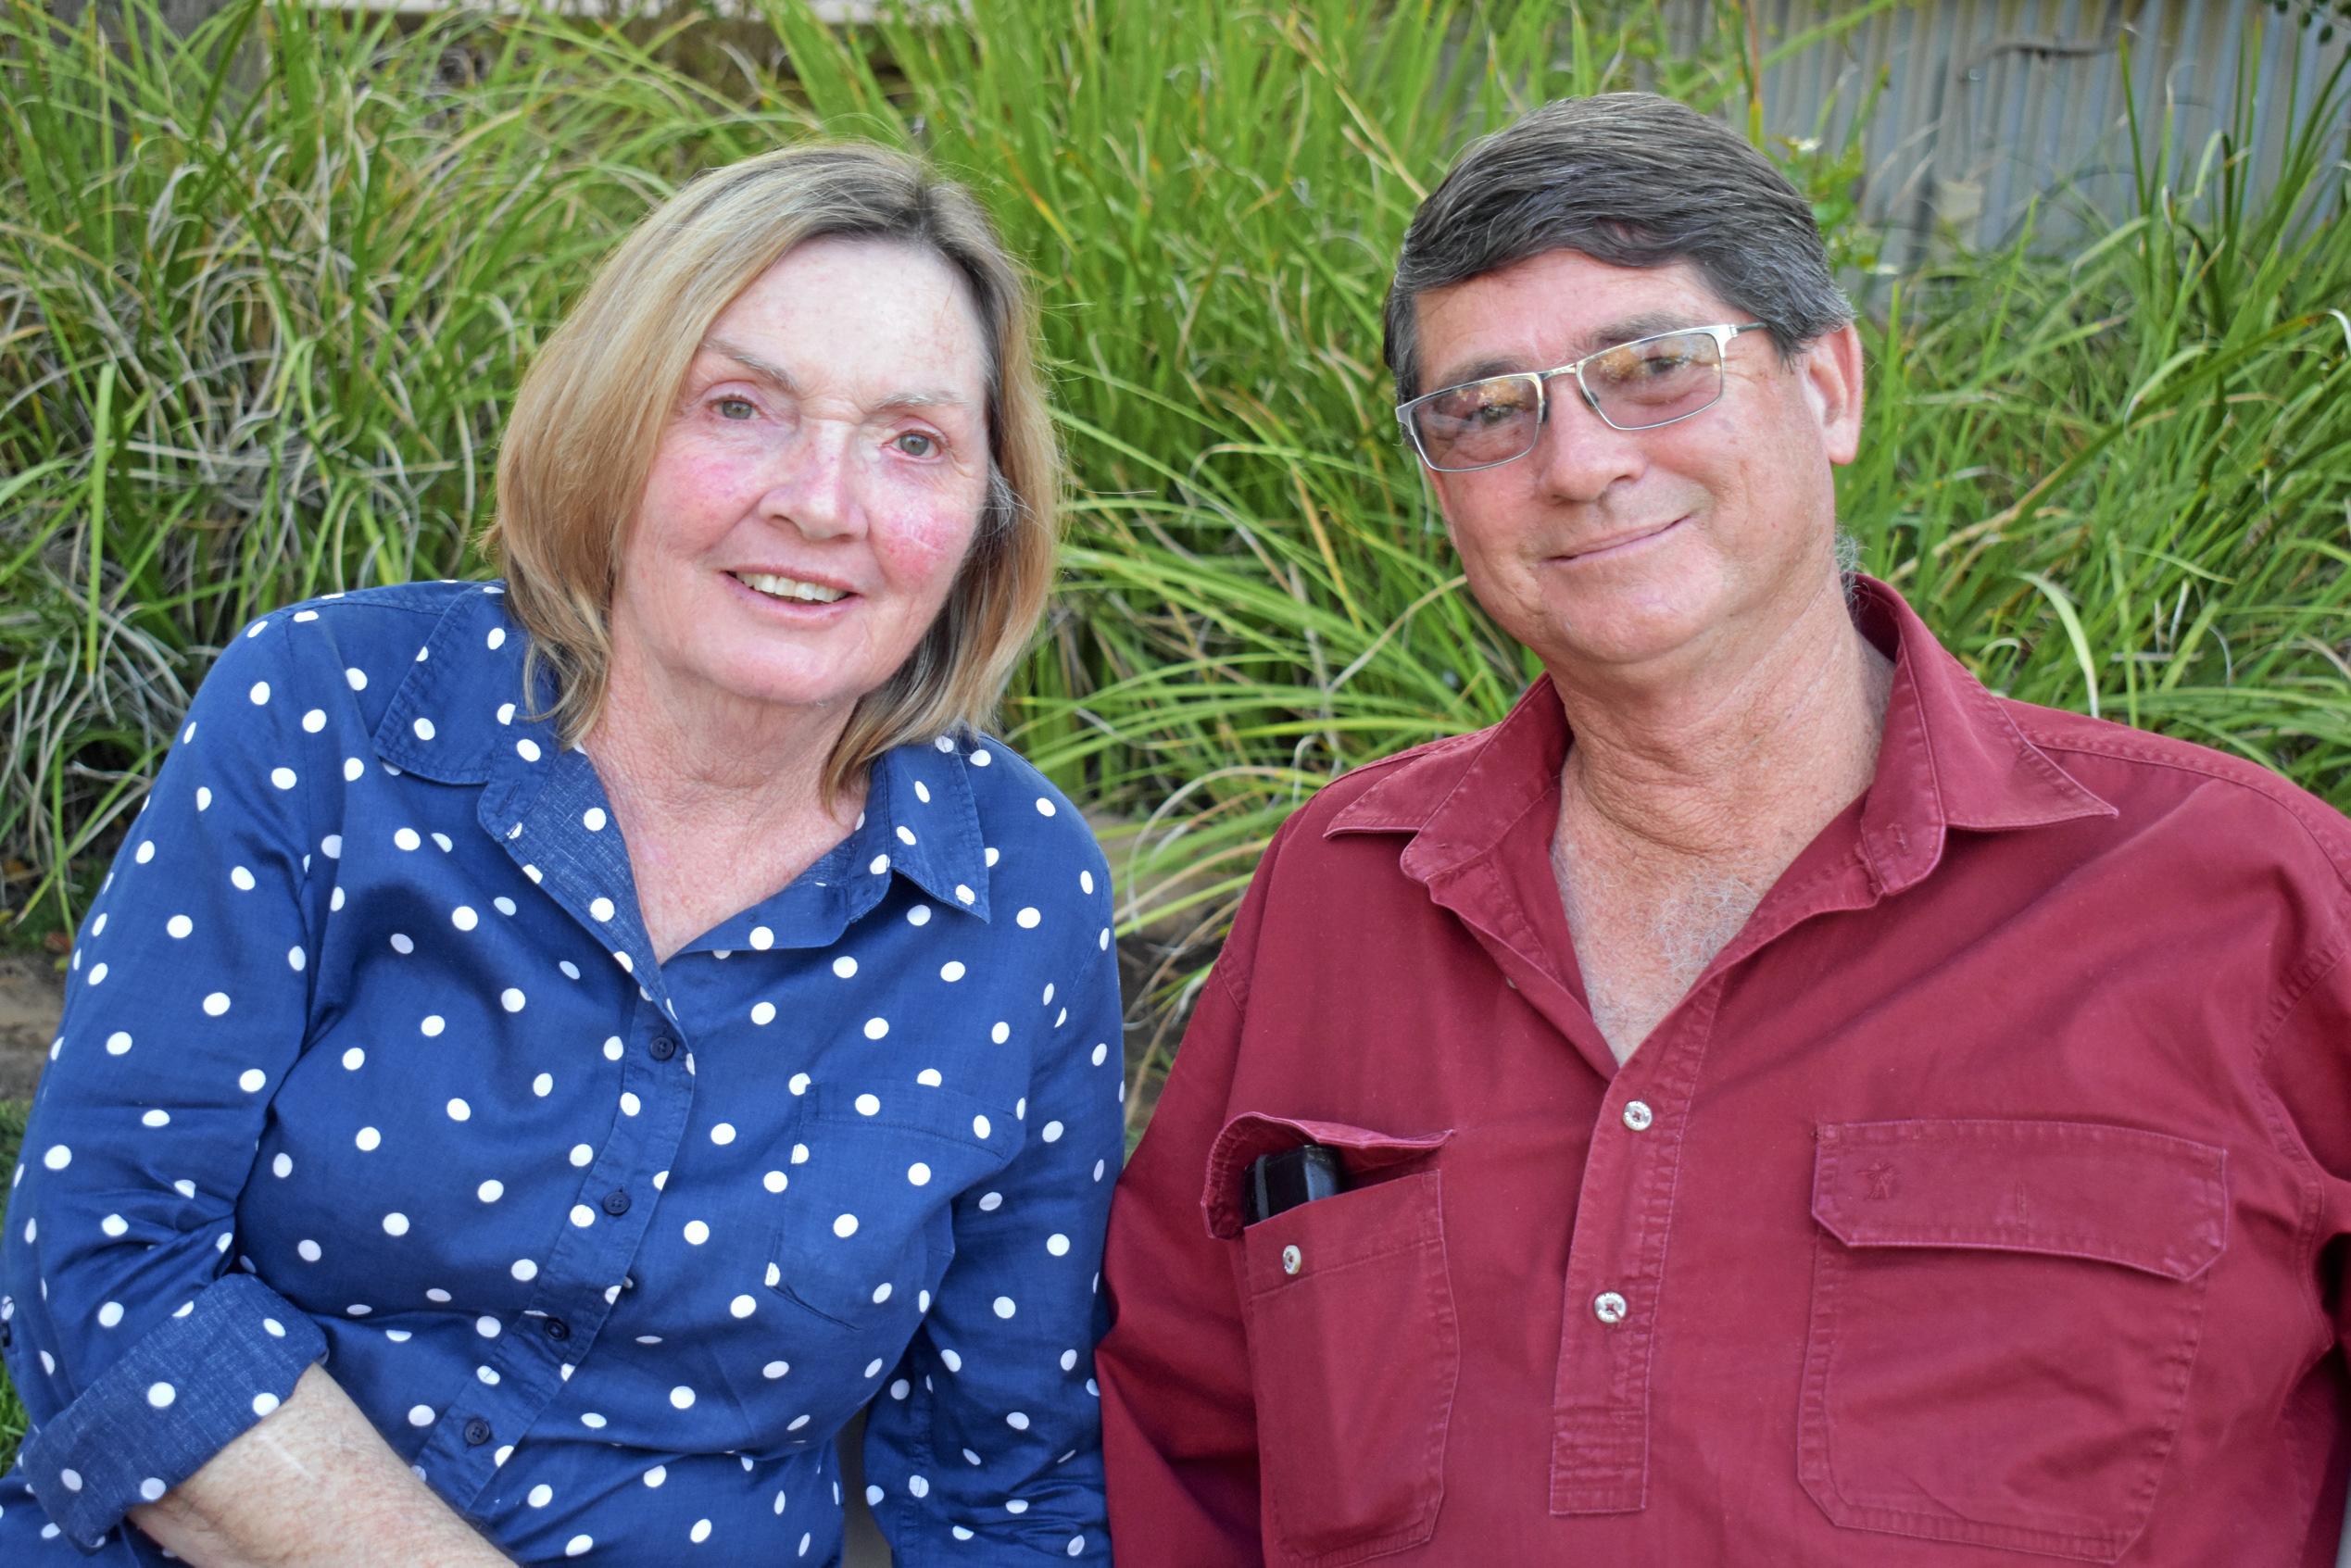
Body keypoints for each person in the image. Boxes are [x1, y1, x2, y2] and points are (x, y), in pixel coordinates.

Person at [1094, 91, 2351, 1566]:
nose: (1575, 463)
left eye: (1651, 369)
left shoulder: (2248, 894)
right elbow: (1178, 1439)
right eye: (1489, 409)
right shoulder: (1344, 890)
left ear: (1827, 388)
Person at [1, 142, 1124, 1565]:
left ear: (981, 519)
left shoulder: (1016, 888)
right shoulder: (336, 713)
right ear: (611, 427)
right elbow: (104, 1259)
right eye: (739, 405)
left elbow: (1002, 1472)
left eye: (913, 440)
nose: (822, 502)